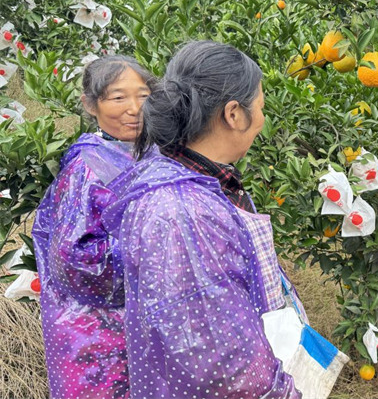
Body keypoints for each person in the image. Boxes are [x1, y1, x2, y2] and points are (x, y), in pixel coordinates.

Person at [101, 41, 302, 398]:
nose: (263, 119)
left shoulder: (188, 175)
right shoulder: (184, 214)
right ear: (234, 114)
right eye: (261, 107)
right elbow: (225, 365)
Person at [32, 56, 154, 399]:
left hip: (144, 326)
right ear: (91, 105)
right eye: (118, 98)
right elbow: (74, 260)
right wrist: (150, 250)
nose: (134, 108)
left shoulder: (153, 154)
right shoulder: (88, 166)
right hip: (99, 336)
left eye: (143, 96)